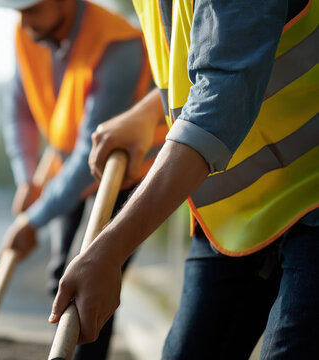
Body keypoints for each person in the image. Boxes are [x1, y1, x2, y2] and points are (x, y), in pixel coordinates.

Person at [49, 0, 319, 358]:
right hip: (241, 212)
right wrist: (147, 115)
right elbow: (216, 57)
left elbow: (220, 102)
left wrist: (109, 250)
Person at [0, 0, 166, 358]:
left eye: (31, 10)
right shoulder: (30, 33)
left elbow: (91, 154)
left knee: (88, 279)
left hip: (124, 172)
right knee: (62, 276)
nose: (23, 22)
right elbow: (18, 111)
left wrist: (33, 219)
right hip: (69, 168)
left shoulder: (117, 43)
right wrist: (28, 180)